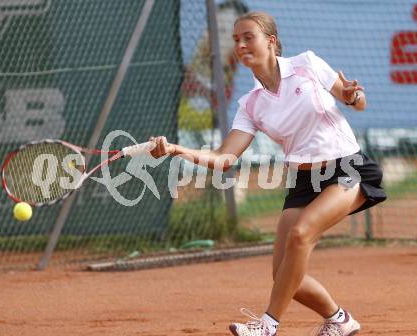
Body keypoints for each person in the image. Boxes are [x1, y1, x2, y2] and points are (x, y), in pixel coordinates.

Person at [149, 11, 386, 336]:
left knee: (300, 234)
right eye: (236, 40)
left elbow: (357, 100)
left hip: (346, 167)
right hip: (304, 181)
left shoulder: (307, 64)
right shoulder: (251, 104)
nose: (241, 45)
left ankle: (268, 325)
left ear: (271, 41)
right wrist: (177, 150)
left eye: (249, 37)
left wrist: (352, 96)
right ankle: (340, 319)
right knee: (285, 276)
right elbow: (224, 157)